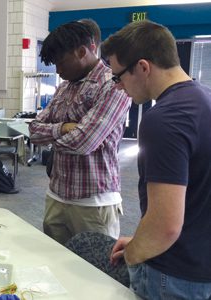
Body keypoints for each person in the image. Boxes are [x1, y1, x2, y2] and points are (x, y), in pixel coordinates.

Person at [101, 20, 211, 299]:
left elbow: (165, 226)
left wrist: (135, 254)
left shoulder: (163, 119)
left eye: (118, 77)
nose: (117, 87)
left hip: (173, 275)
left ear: (143, 67)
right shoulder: (204, 99)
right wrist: (140, 239)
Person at [28, 21, 131, 245]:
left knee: (96, 274)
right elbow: (34, 131)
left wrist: (56, 133)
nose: (57, 70)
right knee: (55, 270)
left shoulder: (112, 84)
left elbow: (84, 141)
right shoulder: (65, 86)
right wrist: (65, 127)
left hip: (94, 204)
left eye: (61, 62)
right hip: (56, 196)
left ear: (83, 51)